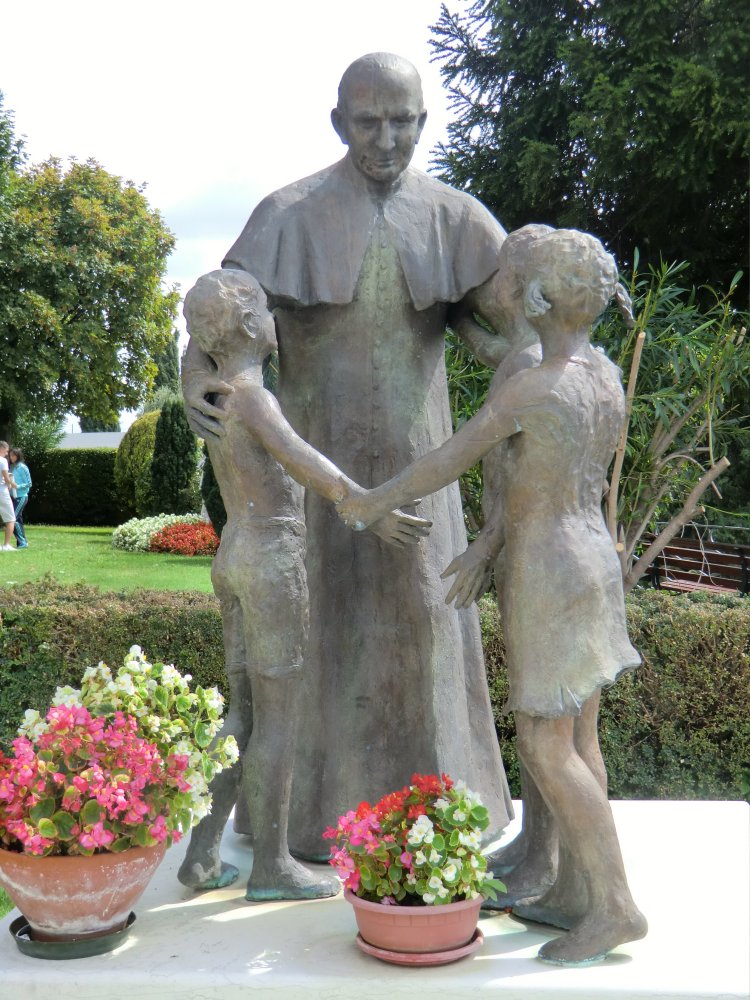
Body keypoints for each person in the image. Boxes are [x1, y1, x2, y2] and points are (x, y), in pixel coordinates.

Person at [182, 52, 513, 859]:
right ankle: (300, 823)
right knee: (310, 646)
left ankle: (440, 822)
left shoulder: (456, 217)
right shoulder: (289, 212)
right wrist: (195, 373)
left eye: (403, 121)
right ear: (340, 122)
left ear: (424, 123)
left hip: (416, 473)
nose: (387, 138)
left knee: (424, 632)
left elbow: (512, 318)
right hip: (312, 481)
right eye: (369, 120)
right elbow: (218, 315)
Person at [337, 229, 648, 965]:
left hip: (550, 566)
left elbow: (451, 455)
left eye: (518, 280)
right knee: (580, 739)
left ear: (537, 297)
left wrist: (369, 498)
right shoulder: (601, 373)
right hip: (592, 558)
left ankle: (615, 905)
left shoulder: (537, 384)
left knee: (545, 742)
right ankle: (578, 889)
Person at [177, 269, 429, 899]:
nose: (274, 318)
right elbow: (303, 460)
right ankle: (271, 868)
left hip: (234, 551)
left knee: (242, 713)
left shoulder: (219, 394)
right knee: (278, 722)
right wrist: (368, 503)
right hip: (270, 558)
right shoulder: (251, 396)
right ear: (245, 325)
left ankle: (201, 855)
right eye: (264, 308)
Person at [8, 448, 31, 549]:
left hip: (22, 496)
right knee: (17, 520)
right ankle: (21, 542)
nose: (11, 457)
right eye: (10, 455)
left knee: (12, 518)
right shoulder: (12, 467)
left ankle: (23, 542)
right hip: (13, 496)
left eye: (13, 455)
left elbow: (29, 483)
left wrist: (18, 486)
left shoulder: (23, 467)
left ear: (18, 456)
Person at [0, 441, 17, 551]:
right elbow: (6, 478)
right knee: (11, 519)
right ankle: (6, 545)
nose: (7, 454)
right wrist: (12, 484)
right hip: (2, 491)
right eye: (6, 451)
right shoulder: (3, 461)